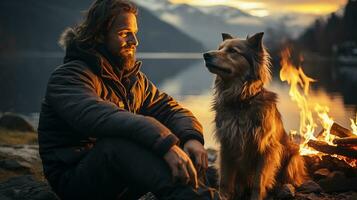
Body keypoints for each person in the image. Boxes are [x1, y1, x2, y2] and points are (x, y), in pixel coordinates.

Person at [38, 0, 220, 199]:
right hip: (76, 180)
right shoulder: (68, 77)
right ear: (99, 35)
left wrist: (190, 138)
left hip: (121, 176)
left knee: (210, 172)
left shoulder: (132, 79)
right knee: (119, 144)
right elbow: (102, 118)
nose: (134, 41)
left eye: (135, 33)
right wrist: (166, 144)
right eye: (124, 33)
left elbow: (171, 109)